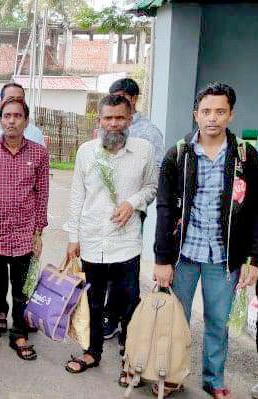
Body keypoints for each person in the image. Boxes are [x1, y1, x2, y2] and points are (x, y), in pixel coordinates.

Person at [154, 83, 258, 399]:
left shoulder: (245, 156)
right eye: (206, 111)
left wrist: (253, 258)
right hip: (184, 254)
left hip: (225, 257)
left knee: (217, 321)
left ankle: (213, 379)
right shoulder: (179, 153)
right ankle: (174, 375)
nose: (212, 118)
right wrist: (161, 259)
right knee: (177, 320)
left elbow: (255, 209)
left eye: (220, 111)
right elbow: (164, 207)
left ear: (231, 114)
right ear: (195, 114)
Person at [63, 94, 157, 378]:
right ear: (99, 120)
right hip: (92, 241)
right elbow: (77, 196)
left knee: (129, 304)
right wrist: (73, 236)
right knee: (92, 303)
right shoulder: (86, 151)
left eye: (120, 118)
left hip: (126, 243)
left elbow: (152, 186)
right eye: (108, 118)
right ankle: (92, 352)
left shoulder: (144, 150)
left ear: (130, 119)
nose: (114, 124)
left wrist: (133, 203)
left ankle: (131, 360)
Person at [0, 96, 49, 359]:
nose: (12, 121)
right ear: (0, 120)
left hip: (24, 232)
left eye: (17, 116)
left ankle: (19, 332)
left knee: (22, 288)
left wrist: (38, 232)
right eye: (7, 116)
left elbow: (42, 195)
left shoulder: (39, 153)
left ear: (26, 121)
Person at [102, 78, 165, 341]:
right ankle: (110, 316)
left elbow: (155, 176)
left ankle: (127, 324)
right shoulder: (107, 126)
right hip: (104, 210)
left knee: (126, 269)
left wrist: (135, 203)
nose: (115, 119)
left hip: (133, 210)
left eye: (121, 98)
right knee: (106, 267)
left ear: (134, 99)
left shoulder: (148, 132)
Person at [0, 83, 45, 147]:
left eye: (19, 100)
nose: (15, 103)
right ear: (0, 104)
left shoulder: (36, 134)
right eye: (10, 100)